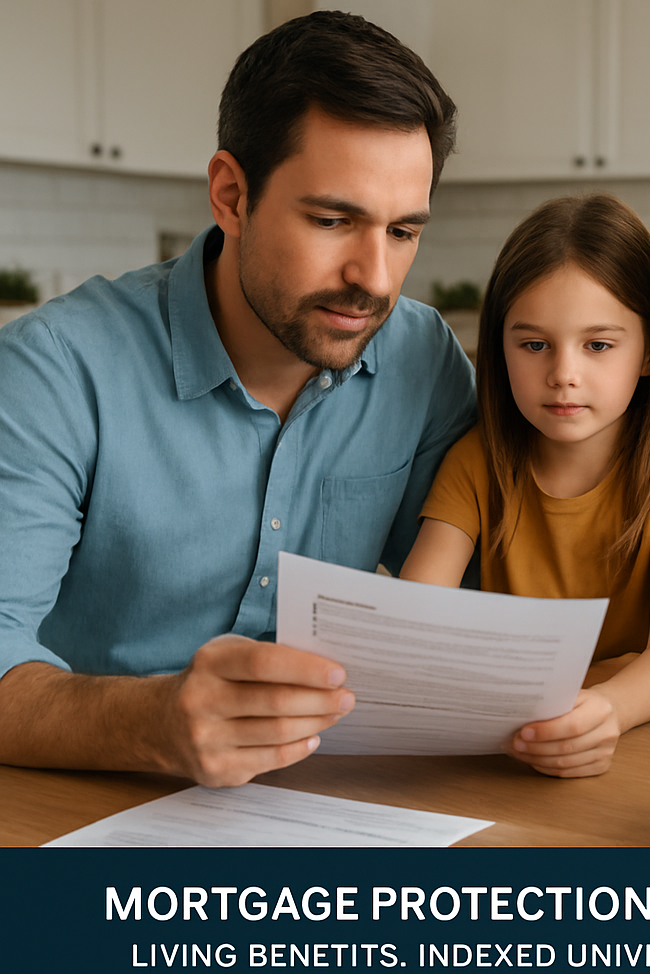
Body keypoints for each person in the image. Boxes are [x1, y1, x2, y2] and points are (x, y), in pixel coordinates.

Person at [0, 12, 475, 786]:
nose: (376, 278)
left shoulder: (424, 359)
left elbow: (492, 595)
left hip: (323, 808)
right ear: (230, 195)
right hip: (78, 806)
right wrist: (151, 721)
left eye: (402, 232)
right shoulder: (54, 371)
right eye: (333, 220)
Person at [400, 194, 650, 777]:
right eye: (533, 345)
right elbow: (412, 618)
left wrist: (608, 708)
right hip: (503, 739)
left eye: (599, 345)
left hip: (639, 742)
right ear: (497, 347)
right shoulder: (475, 461)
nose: (563, 374)